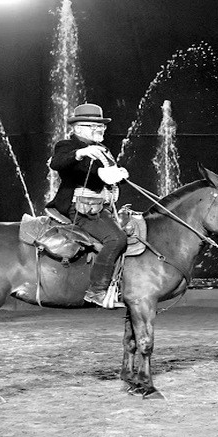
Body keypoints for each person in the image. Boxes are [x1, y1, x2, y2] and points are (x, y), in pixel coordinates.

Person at [47, 103, 130, 308]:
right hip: (79, 208)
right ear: (78, 128)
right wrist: (81, 153)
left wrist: (118, 175)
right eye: (94, 126)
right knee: (116, 239)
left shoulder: (103, 150)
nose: (100, 129)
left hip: (102, 207)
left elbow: (105, 178)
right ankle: (97, 291)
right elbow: (57, 163)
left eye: (101, 126)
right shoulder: (67, 146)